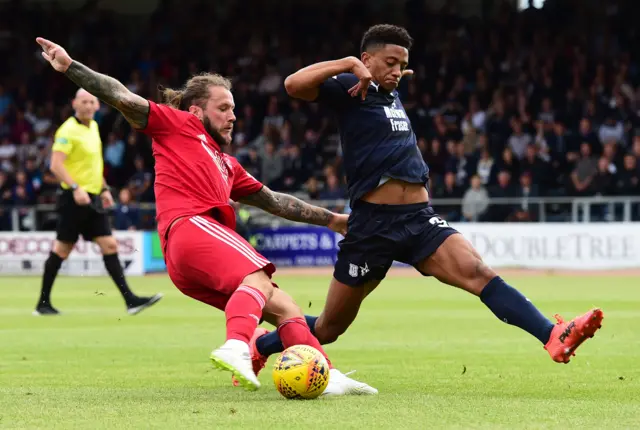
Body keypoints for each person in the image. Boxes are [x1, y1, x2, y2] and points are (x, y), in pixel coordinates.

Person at [247, 24, 604, 375]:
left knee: (478, 272)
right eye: (389, 62)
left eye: (402, 64)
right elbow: (293, 85)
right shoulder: (351, 87)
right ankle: (260, 345)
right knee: (328, 329)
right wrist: (346, 64)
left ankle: (553, 335)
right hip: (372, 226)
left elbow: (389, 87)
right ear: (365, 59)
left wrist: (388, 73)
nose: (397, 71)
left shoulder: (390, 92)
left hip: (419, 219)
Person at [35, 37, 376, 395]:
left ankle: (326, 373)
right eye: (224, 108)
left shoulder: (227, 164)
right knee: (258, 277)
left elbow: (274, 201)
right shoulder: (178, 125)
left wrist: (332, 220)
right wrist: (71, 66)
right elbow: (122, 96)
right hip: (191, 227)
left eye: (233, 109)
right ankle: (237, 346)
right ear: (197, 111)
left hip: (187, 259)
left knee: (285, 307)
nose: (233, 116)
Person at [34, 88, 163, 316]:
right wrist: (75, 188)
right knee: (62, 250)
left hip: (93, 198)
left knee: (110, 245)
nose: (89, 106)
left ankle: (131, 301)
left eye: (92, 101)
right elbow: (55, 165)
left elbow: (94, 165)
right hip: (73, 199)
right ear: (75, 104)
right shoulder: (67, 130)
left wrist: (103, 188)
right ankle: (42, 304)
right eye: (84, 101)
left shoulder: (93, 127)